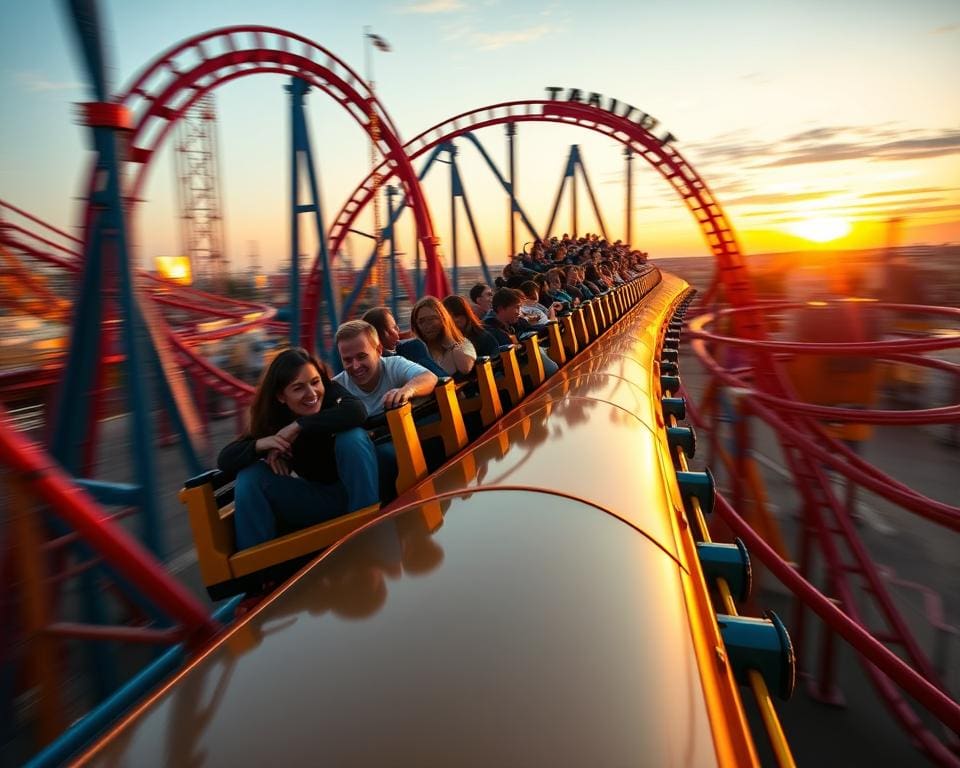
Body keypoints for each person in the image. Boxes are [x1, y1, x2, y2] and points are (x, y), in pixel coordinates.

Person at [217, 347, 379, 551]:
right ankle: (258, 571)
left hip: (366, 489)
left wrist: (299, 425)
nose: (311, 393)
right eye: (298, 388)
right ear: (281, 396)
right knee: (250, 476)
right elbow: (225, 458)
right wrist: (262, 444)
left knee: (351, 437)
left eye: (315, 382)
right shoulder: (275, 421)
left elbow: (357, 411)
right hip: (322, 500)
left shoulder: (330, 394)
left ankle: (368, 532)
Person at [333, 320, 438, 417]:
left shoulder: (394, 365)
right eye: (347, 360)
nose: (355, 366)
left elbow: (429, 377)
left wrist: (406, 391)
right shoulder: (336, 386)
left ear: (379, 350)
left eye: (362, 356)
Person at [483, 288, 559, 376]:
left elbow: (531, 328)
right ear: (501, 309)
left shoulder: (514, 320)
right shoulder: (489, 330)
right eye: (516, 307)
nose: (519, 312)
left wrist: (550, 326)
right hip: (505, 374)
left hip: (520, 365)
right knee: (551, 369)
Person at [362, 306, 447, 378]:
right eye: (394, 328)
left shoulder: (367, 366)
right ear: (384, 334)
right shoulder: (407, 352)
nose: (398, 330)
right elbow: (443, 379)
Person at [410, 296, 477, 378]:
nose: (427, 325)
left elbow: (465, 368)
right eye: (421, 321)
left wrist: (450, 342)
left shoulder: (462, 344)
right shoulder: (417, 352)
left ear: (443, 319)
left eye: (432, 319)